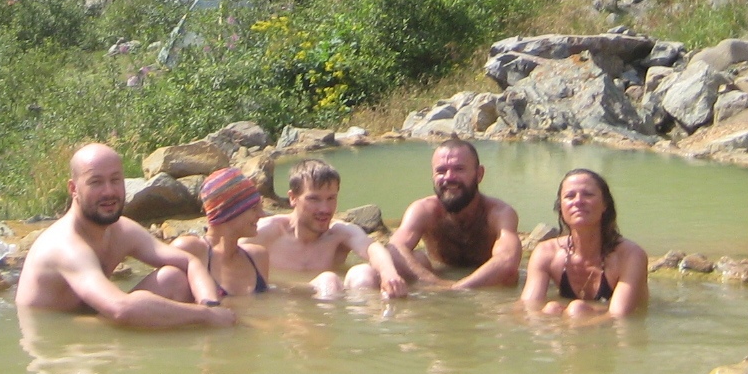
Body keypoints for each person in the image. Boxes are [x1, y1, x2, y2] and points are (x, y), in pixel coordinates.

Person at [16, 144, 237, 327]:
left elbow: (189, 261)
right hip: (60, 342)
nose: (109, 192)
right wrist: (205, 317)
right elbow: (121, 308)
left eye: (115, 180)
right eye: (96, 182)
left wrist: (210, 306)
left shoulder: (121, 230)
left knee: (173, 279)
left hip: (94, 322)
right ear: (73, 189)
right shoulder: (66, 246)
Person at [382, 139, 522, 290]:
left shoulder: (499, 213)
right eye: (441, 171)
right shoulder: (423, 210)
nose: (449, 177)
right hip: (439, 277)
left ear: (479, 174)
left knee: (510, 277)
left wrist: (457, 288)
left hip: (484, 283)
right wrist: (435, 283)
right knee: (415, 259)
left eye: (459, 169)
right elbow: (394, 248)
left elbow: (508, 259)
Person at [255, 159, 407, 298]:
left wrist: (389, 273)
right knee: (328, 280)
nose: (325, 209)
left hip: (331, 300)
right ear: (293, 198)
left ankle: (372, 323)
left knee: (363, 273)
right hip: (286, 301)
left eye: (331, 198)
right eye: (314, 199)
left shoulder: (339, 233)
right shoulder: (269, 231)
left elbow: (371, 247)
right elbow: (233, 256)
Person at [522, 169, 648, 320]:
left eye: (588, 194)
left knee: (577, 308)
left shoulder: (630, 255)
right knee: (551, 308)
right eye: (569, 196)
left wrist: (564, 330)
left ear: (605, 205)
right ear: (560, 208)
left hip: (606, 326)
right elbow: (528, 307)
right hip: (571, 327)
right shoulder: (546, 252)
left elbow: (618, 316)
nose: (578, 201)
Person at [173, 168, 273, 297]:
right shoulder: (190, 250)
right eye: (254, 209)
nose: (262, 215)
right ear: (227, 212)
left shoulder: (258, 257)